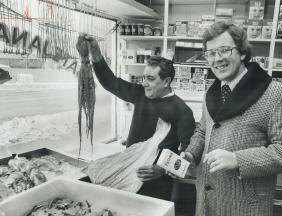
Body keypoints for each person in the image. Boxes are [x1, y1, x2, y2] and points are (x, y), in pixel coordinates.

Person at [181, 22, 282, 216]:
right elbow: (203, 130)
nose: (217, 59)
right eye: (211, 53)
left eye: (224, 50)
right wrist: (191, 154)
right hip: (206, 204)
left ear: (241, 52)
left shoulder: (275, 94)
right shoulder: (212, 91)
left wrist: (238, 159)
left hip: (245, 207)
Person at [76, 34, 196, 201]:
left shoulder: (183, 111)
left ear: (166, 81)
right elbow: (110, 82)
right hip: (127, 175)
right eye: (143, 78)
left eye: (150, 79)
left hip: (158, 186)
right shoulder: (141, 94)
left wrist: (162, 169)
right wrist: (95, 53)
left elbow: (188, 158)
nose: (144, 83)